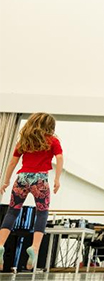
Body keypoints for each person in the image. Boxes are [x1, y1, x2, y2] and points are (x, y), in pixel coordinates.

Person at [0, 113, 63, 271]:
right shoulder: (53, 141)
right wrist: (57, 179)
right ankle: (34, 247)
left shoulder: (24, 141)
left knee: (12, 212)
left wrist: (5, 182)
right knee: (42, 213)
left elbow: (12, 162)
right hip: (40, 179)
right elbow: (60, 158)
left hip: (22, 178)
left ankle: (0, 244)